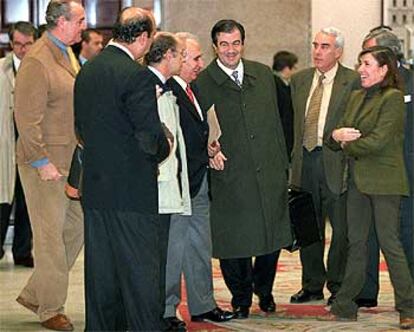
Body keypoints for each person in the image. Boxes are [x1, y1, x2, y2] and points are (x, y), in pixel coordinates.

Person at [74, 7, 171, 332]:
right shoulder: (136, 75)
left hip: (98, 189)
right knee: (140, 274)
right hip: (132, 193)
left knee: (102, 275)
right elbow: (149, 139)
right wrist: (166, 142)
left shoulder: (87, 70)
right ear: (143, 38)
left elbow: (81, 129)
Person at [195, 19, 292, 319]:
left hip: (269, 171)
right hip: (229, 176)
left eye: (236, 43)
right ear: (214, 47)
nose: (230, 50)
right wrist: (208, 152)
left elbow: (286, 120)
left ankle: (264, 290)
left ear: (243, 44)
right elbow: (196, 130)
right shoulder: (202, 84)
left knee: (269, 235)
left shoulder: (263, 75)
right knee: (233, 239)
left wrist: (283, 160)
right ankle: (241, 296)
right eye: (224, 44)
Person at [324, 46, 414, 330]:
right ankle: (345, 303)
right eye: (360, 63)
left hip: (385, 182)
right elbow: (334, 133)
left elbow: (379, 141)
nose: (360, 69)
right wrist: (337, 135)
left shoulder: (394, 98)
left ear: (384, 69)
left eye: (366, 64)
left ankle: (408, 307)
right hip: (357, 183)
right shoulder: (355, 96)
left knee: (390, 243)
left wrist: (346, 142)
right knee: (357, 243)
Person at [14, 1, 85, 330]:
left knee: (76, 227)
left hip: (69, 161)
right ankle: (50, 309)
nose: (84, 26)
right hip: (43, 162)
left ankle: (34, 294)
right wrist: (41, 161)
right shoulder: (38, 59)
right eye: (80, 20)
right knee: (50, 238)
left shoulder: (65, 52)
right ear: (62, 22)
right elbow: (26, 118)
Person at [163, 32, 234, 330]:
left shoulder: (194, 91)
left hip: (198, 181)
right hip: (178, 185)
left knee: (199, 247)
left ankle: (203, 304)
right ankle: (166, 310)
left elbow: (199, 133)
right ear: (177, 60)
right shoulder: (166, 92)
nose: (200, 64)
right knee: (173, 252)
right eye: (194, 58)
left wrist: (210, 149)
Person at [290, 27, 360, 305]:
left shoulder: (352, 81)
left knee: (340, 230)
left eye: (325, 46)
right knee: (308, 226)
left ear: (339, 52)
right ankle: (312, 284)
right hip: (304, 162)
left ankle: (338, 285)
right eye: (316, 45)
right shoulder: (299, 80)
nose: (318, 51)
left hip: (336, 163)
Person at [357, 27, 414, 308]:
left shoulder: (410, 82)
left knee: (404, 235)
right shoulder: (365, 85)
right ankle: (367, 292)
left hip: (406, 172)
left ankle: (409, 297)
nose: (363, 62)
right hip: (371, 172)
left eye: (370, 53)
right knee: (367, 237)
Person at [143, 31, 191, 331]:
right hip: (155, 187)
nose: (184, 60)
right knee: (154, 259)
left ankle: (158, 314)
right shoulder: (147, 86)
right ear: (168, 56)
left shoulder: (165, 87)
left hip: (167, 184)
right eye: (181, 54)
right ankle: (153, 316)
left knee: (161, 257)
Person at [0, 21, 36, 267]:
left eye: (28, 44)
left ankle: (23, 252)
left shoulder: (41, 69)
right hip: (5, 141)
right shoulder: (1, 70)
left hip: (30, 144)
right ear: (11, 44)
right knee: (3, 200)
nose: (23, 50)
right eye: (18, 45)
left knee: (28, 201)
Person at [272, 50, 298, 157]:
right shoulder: (275, 85)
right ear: (287, 68)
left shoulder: (284, 84)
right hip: (280, 137)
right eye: (295, 68)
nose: (296, 71)